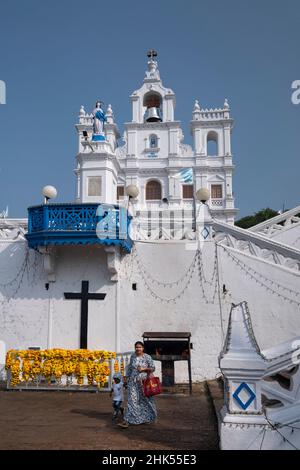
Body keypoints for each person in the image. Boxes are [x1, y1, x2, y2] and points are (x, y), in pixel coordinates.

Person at [118, 341, 157, 428]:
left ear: (143, 348)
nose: (138, 349)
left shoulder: (147, 357)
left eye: (140, 347)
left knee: (145, 400)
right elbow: (130, 368)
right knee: (132, 400)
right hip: (133, 382)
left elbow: (153, 368)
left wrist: (144, 369)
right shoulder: (133, 356)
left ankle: (147, 417)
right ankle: (127, 420)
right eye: (136, 347)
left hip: (144, 383)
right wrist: (126, 377)